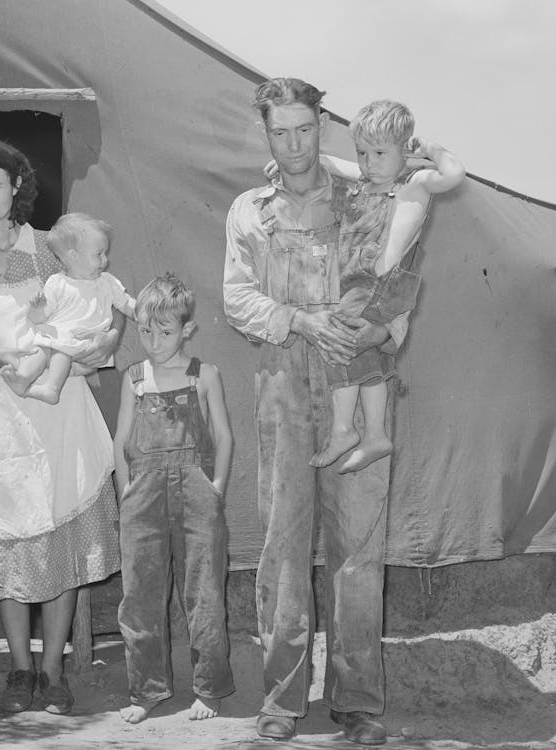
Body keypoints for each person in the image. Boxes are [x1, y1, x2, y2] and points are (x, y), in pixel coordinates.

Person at [223, 78, 406, 746]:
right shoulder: (249, 211)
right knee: (283, 544)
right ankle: (281, 697)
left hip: (356, 385)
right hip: (285, 390)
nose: (296, 144)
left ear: (322, 126)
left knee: (358, 546)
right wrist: (299, 319)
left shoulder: (365, 198)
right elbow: (236, 297)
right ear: (265, 133)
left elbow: (398, 288)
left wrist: (377, 333)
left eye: (306, 129)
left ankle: (357, 700)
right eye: (281, 131)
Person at [0, 138, 122, 715]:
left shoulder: (54, 253)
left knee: (59, 534)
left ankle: (54, 670)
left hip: (58, 411)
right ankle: (18, 667)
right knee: (8, 538)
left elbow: (93, 319)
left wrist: (90, 351)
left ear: (17, 187)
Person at [309, 100, 465, 473]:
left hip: (381, 283)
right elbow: (329, 163)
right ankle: (376, 434)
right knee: (370, 358)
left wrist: (430, 151)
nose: (369, 162)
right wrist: (293, 166)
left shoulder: (413, 184)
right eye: (362, 152)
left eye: (380, 153)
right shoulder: (363, 184)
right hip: (363, 286)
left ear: (403, 151)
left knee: (340, 341)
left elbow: (454, 174)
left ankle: (343, 430)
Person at [112, 273, 234, 725]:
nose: (154, 341)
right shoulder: (134, 379)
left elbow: (222, 435)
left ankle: (209, 688)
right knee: (140, 597)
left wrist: (216, 487)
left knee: (203, 594)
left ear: (187, 330)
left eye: (165, 332)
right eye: (145, 330)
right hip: (142, 498)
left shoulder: (205, 375)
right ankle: (147, 690)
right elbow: (120, 440)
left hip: (197, 495)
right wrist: (126, 491)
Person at [1, 212, 136, 404]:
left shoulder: (107, 282)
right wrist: (37, 308)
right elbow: (39, 318)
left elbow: (126, 303)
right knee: (42, 347)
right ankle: (24, 378)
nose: (105, 260)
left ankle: (51, 388)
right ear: (73, 257)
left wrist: (144, 312)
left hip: (85, 347)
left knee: (59, 345)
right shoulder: (56, 283)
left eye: (104, 253)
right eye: (98, 254)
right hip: (65, 347)